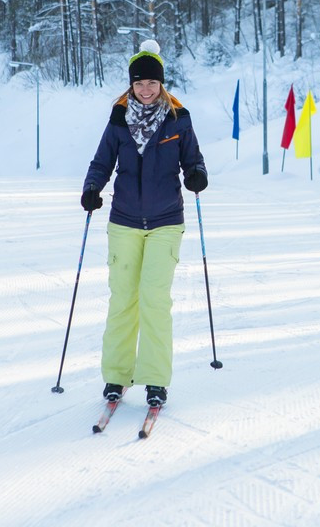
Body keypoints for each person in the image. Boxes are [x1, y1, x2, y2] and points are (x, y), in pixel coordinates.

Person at [81, 39, 207, 408]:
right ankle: (116, 377)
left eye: (152, 83)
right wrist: (92, 188)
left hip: (166, 219)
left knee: (154, 298)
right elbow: (101, 162)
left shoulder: (178, 119)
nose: (146, 89)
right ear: (131, 85)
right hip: (124, 220)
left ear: (161, 84)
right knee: (123, 299)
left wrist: (196, 175)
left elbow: (193, 160)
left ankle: (155, 380)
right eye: (139, 83)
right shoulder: (119, 119)